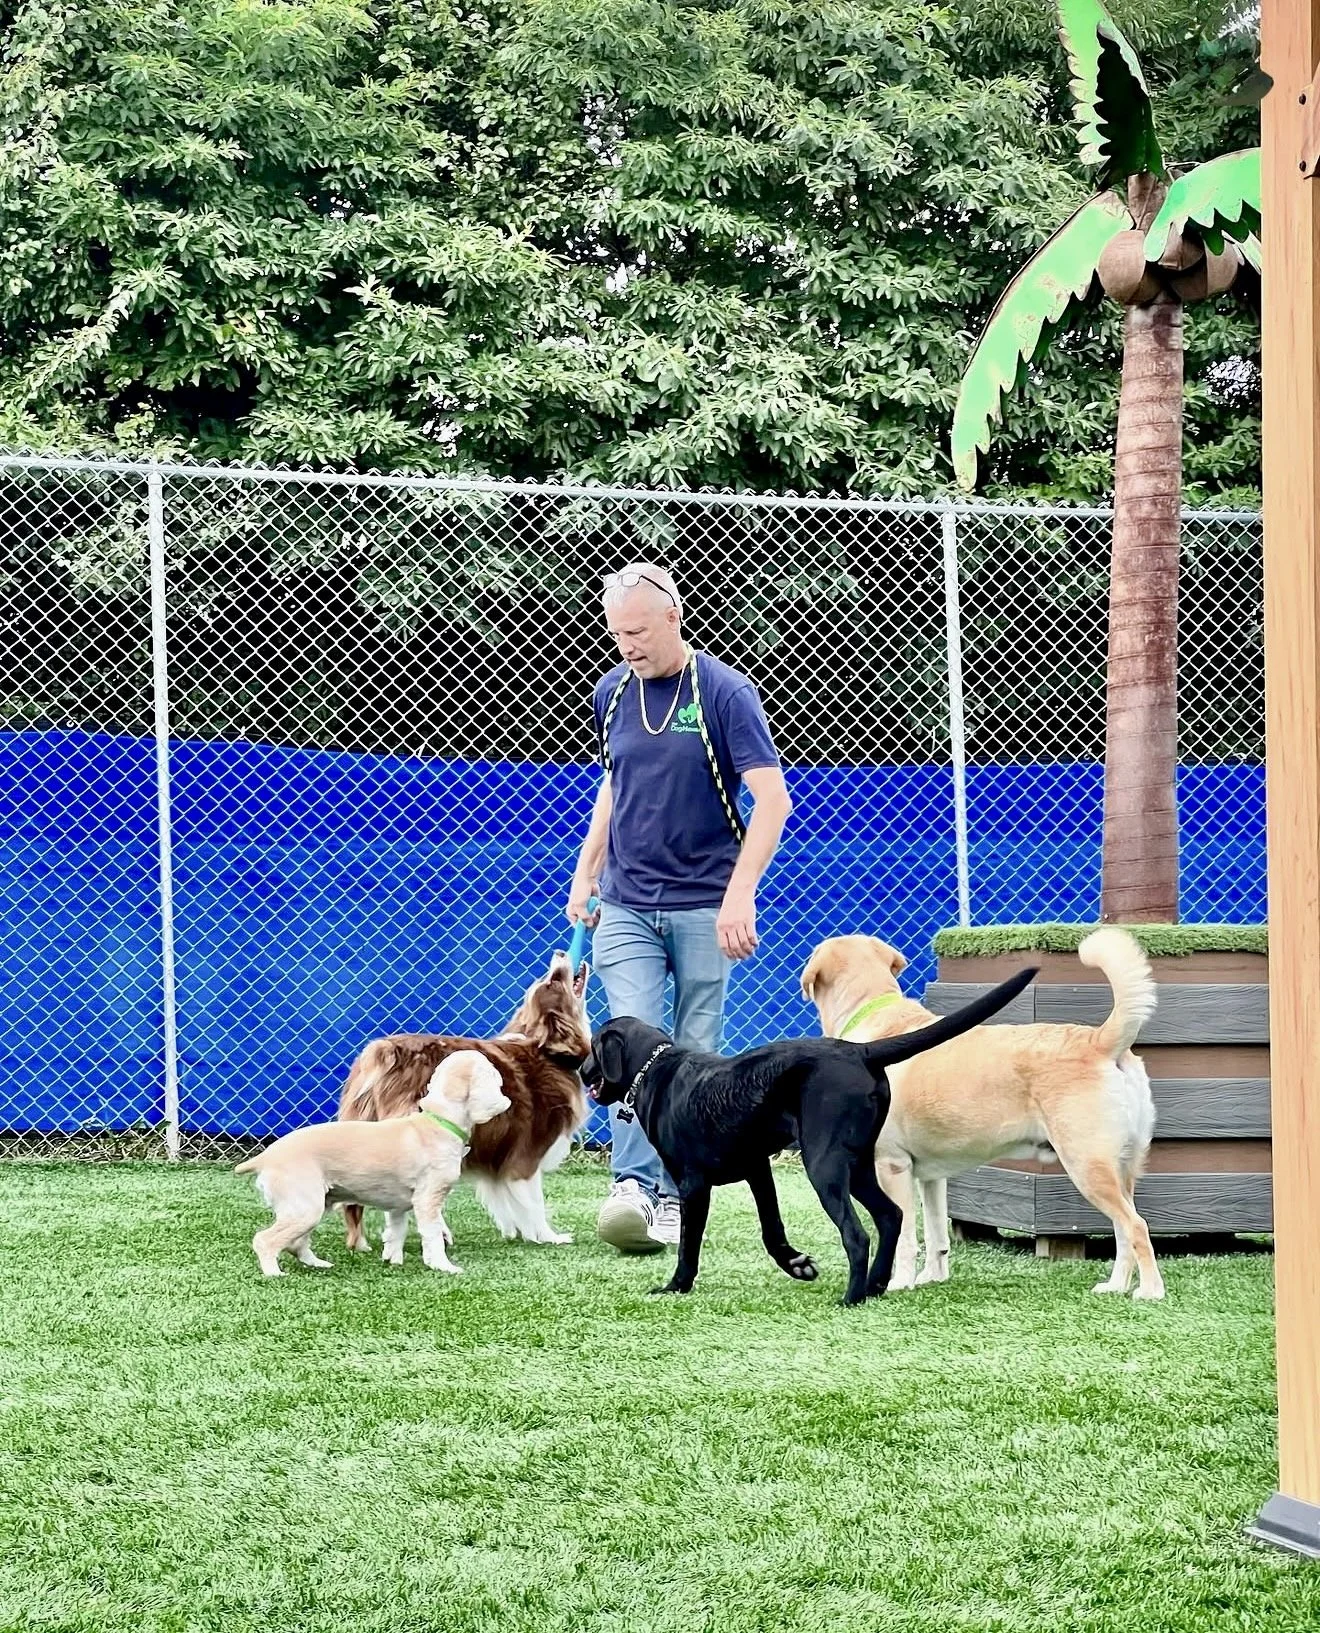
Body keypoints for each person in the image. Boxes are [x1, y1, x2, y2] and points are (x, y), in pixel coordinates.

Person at [567, 562, 792, 1252]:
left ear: (673, 617)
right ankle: (632, 1185)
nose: (626, 645)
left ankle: (676, 1190)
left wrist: (739, 894)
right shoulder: (611, 692)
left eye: (637, 631)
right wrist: (585, 874)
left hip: (704, 902)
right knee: (630, 1039)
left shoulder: (725, 691)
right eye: (616, 633)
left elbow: (773, 800)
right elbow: (614, 787)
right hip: (626, 901)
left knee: (693, 1051)